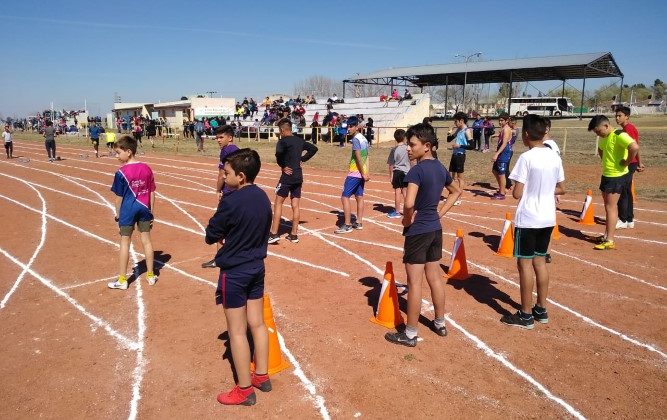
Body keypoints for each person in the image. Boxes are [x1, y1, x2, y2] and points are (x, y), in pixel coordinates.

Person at [204, 148, 272, 406]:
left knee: (237, 331)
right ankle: (261, 375)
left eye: (227, 172)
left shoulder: (230, 201)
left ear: (241, 176)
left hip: (234, 272)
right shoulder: (263, 197)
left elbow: (211, 233)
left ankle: (244, 389)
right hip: (257, 266)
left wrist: (224, 231)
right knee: (257, 323)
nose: (224, 174)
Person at [385, 123, 461, 347]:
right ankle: (440, 322)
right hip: (435, 229)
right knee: (435, 277)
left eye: (412, 144)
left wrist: (407, 220)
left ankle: (410, 333)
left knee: (415, 283)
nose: (409, 149)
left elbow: (408, 203)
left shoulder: (416, 171)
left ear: (427, 146)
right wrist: (440, 213)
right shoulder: (439, 167)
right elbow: (456, 191)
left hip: (418, 232)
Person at [500, 114, 565, 329]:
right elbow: (561, 188)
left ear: (526, 135)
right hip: (548, 217)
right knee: (540, 261)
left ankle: (526, 314)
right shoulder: (554, 156)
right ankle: (541, 308)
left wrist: (529, 188)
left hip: (529, 218)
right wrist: (544, 189)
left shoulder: (527, 158)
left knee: (524, 264)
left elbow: (517, 193)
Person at [108, 135, 158, 290]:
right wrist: (151, 212)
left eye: (118, 152)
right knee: (147, 241)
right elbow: (152, 192)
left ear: (128, 152)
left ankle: (122, 279)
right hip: (144, 208)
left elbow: (118, 198)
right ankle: (150, 275)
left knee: (125, 242)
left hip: (128, 210)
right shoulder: (146, 168)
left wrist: (118, 214)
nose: (116, 156)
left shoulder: (121, 172)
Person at [588, 115, 639, 250]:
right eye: (595, 132)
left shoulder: (619, 134)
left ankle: (610, 240)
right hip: (607, 175)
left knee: (611, 207)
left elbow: (634, 147)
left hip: (616, 177)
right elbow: (601, 150)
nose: (597, 134)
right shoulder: (604, 138)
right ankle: (606, 236)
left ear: (606, 126)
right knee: (607, 206)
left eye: (598, 131)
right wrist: (605, 160)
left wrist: (627, 162)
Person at [268, 118, 318, 244]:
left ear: (282, 130)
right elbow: (313, 149)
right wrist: (303, 158)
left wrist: (283, 166)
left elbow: (279, 155)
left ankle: (274, 233)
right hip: (298, 175)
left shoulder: (282, 142)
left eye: (280, 131)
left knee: (278, 203)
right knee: (295, 205)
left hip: (287, 175)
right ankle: (294, 234)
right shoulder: (299, 140)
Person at [202, 125, 240, 269]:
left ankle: (219, 258)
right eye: (216, 137)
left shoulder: (226, 151)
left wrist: (218, 190)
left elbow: (222, 174)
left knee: (220, 226)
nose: (218, 140)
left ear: (230, 137)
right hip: (237, 192)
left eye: (221, 137)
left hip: (228, 193)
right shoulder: (237, 150)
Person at [335, 116, 369, 234]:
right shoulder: (364, 139)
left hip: (355, 173)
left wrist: (363, 173)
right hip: (361, 173)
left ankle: (348, 224)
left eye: (350, 127)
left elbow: (359, 158)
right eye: (347, 127)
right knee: (359, 197)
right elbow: (367, 157)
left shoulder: (355, 140)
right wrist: (366, 172)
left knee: (345, 197)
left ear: (356, 127)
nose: (348, 129)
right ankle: (359, 222)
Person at [615, 106, 645, 229]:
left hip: (629, 163)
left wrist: (639, 162)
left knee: (622, 191)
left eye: (619, 116)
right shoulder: (625, 129)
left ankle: (623, 219)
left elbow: (635, 146)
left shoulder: (628, 129)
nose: (617, 118)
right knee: (627, 190)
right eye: (616, 116)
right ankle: (629, 219)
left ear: (627, 116)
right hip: (631, 162)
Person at [447, 112, 473, 206]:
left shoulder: (467, 131)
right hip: (454, 155)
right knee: (451, 176)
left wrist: (460, 145)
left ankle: (458, 197)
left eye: (455, 121)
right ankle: (453, 194)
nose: (455, 123)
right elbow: (449, 139)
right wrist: (449, 132)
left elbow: (472, 146)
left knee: (460, 178)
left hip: (460, 155)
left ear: (461, 121)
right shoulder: (459, 130)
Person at [386, 129, 410, 218]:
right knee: (406, 193)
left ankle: (397, 212)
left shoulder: (394, 149)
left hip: (397, 172)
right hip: (407, 172)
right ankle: (409, 210)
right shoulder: (408, 148)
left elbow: (391, 164)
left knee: (397, 192)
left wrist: (391, 175)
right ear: (404, 137)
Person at [489, 113, 513, 199]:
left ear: (507, 121)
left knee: (501, 173)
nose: (500, 122)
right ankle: (501, 189)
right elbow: (503, 138)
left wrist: (496, 154)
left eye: (502, 120)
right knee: (495, 170)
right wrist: (497, 135)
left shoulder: (506, 129)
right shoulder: (503, 129)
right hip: (501, 152)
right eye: (499, 120)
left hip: (504, 152)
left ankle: (502, 193)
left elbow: (504, 143)